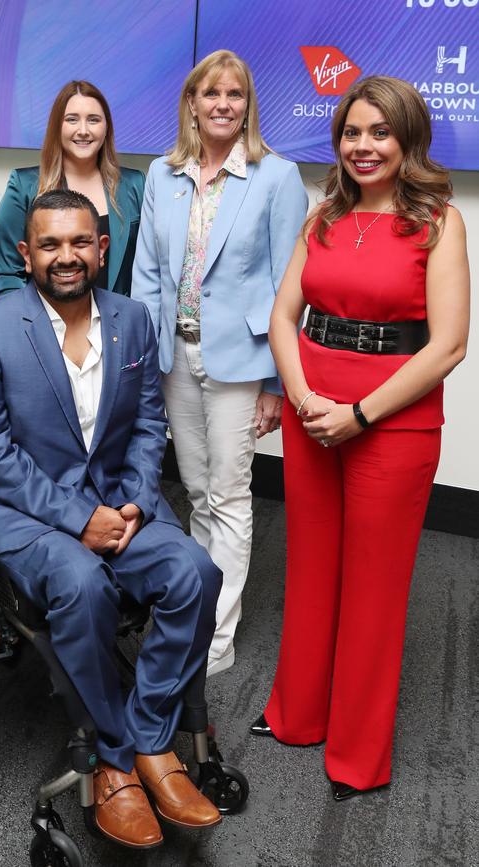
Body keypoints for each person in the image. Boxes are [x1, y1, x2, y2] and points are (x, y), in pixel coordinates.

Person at [0, 189, 223, 849]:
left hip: (120, 502)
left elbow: (147, 422)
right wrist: (80, 519)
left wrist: (132, 497)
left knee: (195, 572)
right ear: (26, 253)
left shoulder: (132, 319)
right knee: (82, 585)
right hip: (29, 511)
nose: (66, 256)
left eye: (80, 242)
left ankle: (151, 738)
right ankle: (114, 755)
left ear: (103, 249)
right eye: (50, 244)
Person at [250, 76, 470, 800]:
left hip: (392, 426)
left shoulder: (440, 222)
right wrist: (306, 397)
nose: (363, 146)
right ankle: (296, 714)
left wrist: (361, 413)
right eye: (352, 133)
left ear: (407, 139)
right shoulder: (323, 218)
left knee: (374, 589)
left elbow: (447, 347)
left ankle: (357, 753)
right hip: (314, 413)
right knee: (310, 569)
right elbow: (285, 318)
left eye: (379, 132)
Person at [131, 50, 307, 676]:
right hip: (173, 355)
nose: (223, 104)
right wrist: (143, 357)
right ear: (192, 103)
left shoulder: (276, 177)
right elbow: (148, 271)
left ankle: (215, 634)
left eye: (235, 94)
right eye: (211, 94)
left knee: (230, 495)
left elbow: (291, 286)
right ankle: (192, 606)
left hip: (241, 362)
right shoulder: (162, 174)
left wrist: (277, 385)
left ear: (247, 103)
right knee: (198, 491)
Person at [0, 80, 144, 297]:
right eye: (72, 120)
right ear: (57, 126)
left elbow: (149, 267)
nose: (83, 131)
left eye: (93, 120)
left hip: (115, 325)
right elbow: (7, 273)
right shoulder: (24, 186)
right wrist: (31, 326)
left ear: (106, 127)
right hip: (43, 327)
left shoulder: (135, 185)